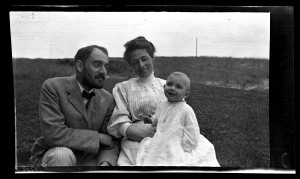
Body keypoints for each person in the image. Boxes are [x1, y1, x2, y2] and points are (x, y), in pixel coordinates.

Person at [30, 45, 119, 167]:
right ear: (80, 66)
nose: (103, 71)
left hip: (90, 159)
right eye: (97, 64)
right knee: (62, 155)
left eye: (106, 66)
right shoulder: (53, 87)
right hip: (57, 155)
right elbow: (54, 134)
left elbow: (110, 142)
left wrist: (105, 163)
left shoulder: (107, 98)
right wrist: (97, 137)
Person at [136, 72, 220, 166]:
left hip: (177, 138)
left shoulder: (186, 109)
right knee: (155, 155)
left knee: (173, 156)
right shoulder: (162, 104)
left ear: (186, 94)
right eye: (169, 84)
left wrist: (187, 146)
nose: (172, 88)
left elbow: (192, 129)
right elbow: (158, 116)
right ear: (164, 87)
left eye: (178, 87)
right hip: (162, 136)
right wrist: (152, 120)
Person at [107, 36, 167, 165]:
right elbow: (119, 123)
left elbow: (179, 114)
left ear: (152, 57)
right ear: (130, 65)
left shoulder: (168, 86)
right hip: (135, 141)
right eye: (135, 62)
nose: (141, 65)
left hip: (167, 136)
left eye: (144, 59)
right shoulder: (123, 88)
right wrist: (144, 133)